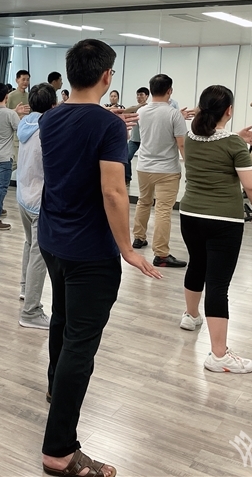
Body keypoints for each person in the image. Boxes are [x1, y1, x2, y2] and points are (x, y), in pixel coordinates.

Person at [39, 39, 161, 477]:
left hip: (53, 240)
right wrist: (127, 248)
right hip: (90, 250)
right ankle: (59, 451)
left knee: (62, 319)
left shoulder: (50, 117)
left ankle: (56, 391)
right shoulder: (109, 126)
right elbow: (113, 191)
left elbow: (79, 141)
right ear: (107, 75)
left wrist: (109, 122)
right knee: (80, 343)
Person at [180, 85, 252, 373]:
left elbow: (213, 141)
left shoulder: (190, 137)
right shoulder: (233, 144)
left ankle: (191, 316)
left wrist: (237, 137)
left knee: (197, 264)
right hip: (223, 221)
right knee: (218, 284)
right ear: (229, 111)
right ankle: (219, 356)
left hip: (189, 214)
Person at [132, 75, 187, 266]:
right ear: (169, 91)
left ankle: (139, 238)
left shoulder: (142, 111)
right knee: (163, 210)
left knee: (143, 201)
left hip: (144, 166)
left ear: (150, 90)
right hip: (167, 170)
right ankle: (161, 254)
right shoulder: (174, 114)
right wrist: (190, 168)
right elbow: (182, 145)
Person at [15, 83, 55, 329]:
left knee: (30, 244)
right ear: (53, 105)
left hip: (23, 196)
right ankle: (30, 312)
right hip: (40, 200)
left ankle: (24, 288)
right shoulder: (48, 128)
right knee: (39, 255)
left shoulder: (25, 123)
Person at [0, 82, 28, 230]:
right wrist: (18, 114)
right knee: (1, 186)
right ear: (7, 97)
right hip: (4, 157)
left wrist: (14, 112)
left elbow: (0, 115)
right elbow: (20, 130)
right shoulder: (10, 114)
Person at [122, 86, 150, 185]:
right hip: (134, 139)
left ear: (147, 96)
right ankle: (127, 178)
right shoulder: (134, 108)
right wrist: (139, 106)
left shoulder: (149, 108)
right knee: (127, 157)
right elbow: (124, 111)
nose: (139, 97)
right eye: (137, 95)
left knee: (148, 161)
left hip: (146, 140)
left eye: (141, 95)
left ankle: (149, 181)